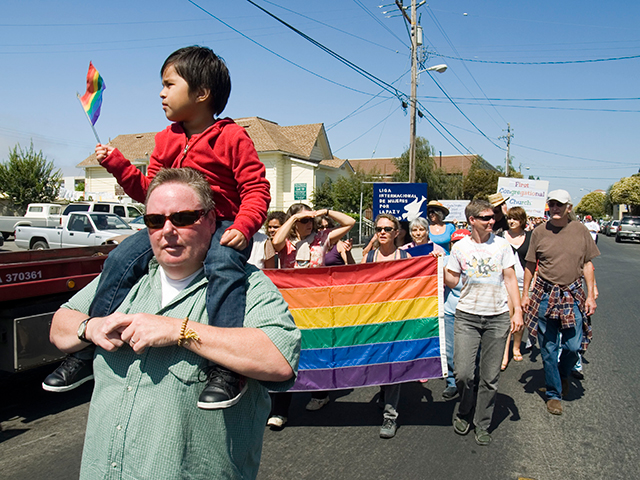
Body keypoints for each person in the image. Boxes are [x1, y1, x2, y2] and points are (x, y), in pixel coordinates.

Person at [43, 46, 271, 411]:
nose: (161, 93)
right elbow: (149, 192)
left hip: (220, 223)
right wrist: (117, 164)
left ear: (201, 93)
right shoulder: (165, 140)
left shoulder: (232, 138)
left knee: (223, 264)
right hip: (172, 222)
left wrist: (244, 225)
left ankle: (226, 369)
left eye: (169, 84)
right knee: (120, 256)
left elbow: (256, 188)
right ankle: (87, 352)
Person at [49, 168, 300, 479]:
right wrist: (90, 328)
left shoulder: (247, 287)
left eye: (183, 218)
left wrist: (180, 331)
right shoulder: (124, 281)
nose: (167, 230)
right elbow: (60, 325)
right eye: (155, 220)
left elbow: (279, 361)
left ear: (211, 220)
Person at [444, 199, 523, 446]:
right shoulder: (459, 248)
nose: (492, 221)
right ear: (472, 221)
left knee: (489, 377)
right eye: (486, 218)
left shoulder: (502, 245)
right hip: (466, 316)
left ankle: (482, 422)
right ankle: (464, 409)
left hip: (497, 318)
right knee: (464, 374)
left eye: (492, 217)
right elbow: (451, 277)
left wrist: (517, 311)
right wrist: (456, 280)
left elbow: (510, 279)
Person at [267, 204, 355, 426]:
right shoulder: (285, 241)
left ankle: (320, 394)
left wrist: (324, 212)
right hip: (290, 304)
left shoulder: (323, 237)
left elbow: (349, 222)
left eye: (310, 220)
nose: (308, 224)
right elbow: (276, 243)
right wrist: (295, 216)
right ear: (294, 221)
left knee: (317, 348)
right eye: (303, 220)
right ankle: (280, 410)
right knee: (286, 350)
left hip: (317, 304)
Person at [522, 190, 599, 416]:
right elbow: (530, 265)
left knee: (573, 346)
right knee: (548, 347)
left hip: (572, 294)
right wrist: (526, 294)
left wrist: (591, 294)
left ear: (569, 207)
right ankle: (554, 394)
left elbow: (587, 265)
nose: (555, 208)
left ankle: (563, 374)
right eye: (552, 204)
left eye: (560, 205)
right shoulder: (538, 232)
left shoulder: (580, 230)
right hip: (545, 295)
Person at [360, 213, 411, 438]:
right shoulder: (368, 258)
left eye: (387, 229)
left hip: (396, 321)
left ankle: (390, 416)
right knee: (380, 363)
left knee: (393, 367)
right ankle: (384, 392)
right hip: (374, 320)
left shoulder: (405, 257)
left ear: (396, 233)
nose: (382, 232)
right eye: (379, 228)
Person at [501, 206, 533, 371]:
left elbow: (535, 261)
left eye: (515, 218)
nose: (512, 221)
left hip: (524, 282)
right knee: (507, 317)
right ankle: (505, 352)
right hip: (504, 282)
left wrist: (532, 283)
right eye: (509, 218)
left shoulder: (530, 237)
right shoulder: (500, 236)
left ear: (522, 220)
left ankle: (516, 346)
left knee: (520, 316)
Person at [441, 228, 470, 400]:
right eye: (455, 242)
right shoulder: (443, 259)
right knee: (450, 350)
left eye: (462, 242)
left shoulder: (477, 260)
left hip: (472, 312)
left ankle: (472, 382)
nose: (458, 246)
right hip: (450, 311)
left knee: (474, 351)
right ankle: (452, 382)